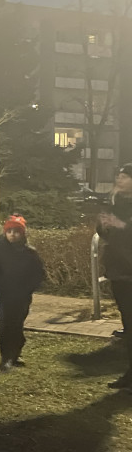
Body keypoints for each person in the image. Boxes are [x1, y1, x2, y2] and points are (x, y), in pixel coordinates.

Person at [0, 215, 46, 372]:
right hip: (5, 294)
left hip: (22, 296)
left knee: (17, 324)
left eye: (16, 231)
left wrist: (28, 288)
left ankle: (16, 353)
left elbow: (38, 273)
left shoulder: (29, 252)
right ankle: (6, 357)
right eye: (9, 231)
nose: (12, 234)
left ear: (22, 234)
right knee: (5, 324)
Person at [99, 163, 132, 389]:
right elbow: (105, 232)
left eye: (124, 176)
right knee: (128, 324)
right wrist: (102, 224)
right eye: (118, 176)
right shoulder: (114, 202)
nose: (119, 179)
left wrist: (118, 224)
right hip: (119, 271)